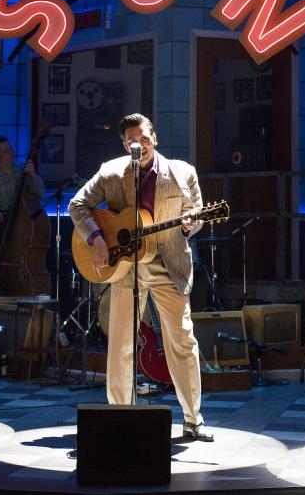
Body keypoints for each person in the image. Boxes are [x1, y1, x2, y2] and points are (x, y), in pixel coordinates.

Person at [69, 113, 213, 442]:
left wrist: (193, 223)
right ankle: (119, 417)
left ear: (155, 138)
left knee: (182, 341)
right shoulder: (111, 171)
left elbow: (199, 213)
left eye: (144, 138)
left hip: (168, 263)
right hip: (126, 266)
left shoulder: (182, 172)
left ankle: (193, 419)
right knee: (121, 342)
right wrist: (97, 238)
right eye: (132, 140)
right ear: (124, 144)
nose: (139, 144)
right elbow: (78, 204)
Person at [0, 136, 45, 295]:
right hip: (3, 226)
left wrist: (33, 175)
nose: (10, 153)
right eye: (5, 151)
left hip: (24, 225)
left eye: (10, 149)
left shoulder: (23, 171)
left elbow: (40, 194)